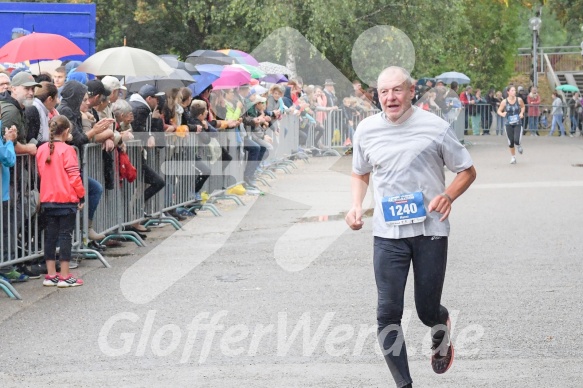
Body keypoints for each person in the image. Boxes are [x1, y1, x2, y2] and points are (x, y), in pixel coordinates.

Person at [346, 66, 476, 388]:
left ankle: (440, 325)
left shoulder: (435, 127)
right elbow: (360, 172)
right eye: (384, 92)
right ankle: (404, 384)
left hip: (431, 230)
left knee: (425, 308)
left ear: (411, 90)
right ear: (377, 95)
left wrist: (448, 195)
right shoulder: (366, 130)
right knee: (387, 314)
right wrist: (355, 205)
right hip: (388, 234)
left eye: (397, 90)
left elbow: (467, 171)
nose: (390, 97)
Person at [37, 116, 85, 287]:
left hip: (47, 198)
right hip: (65, 198)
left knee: (50, 235)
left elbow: (42, 174)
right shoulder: (68, 150)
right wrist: (81, 195)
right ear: (66, 132)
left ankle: (51, 275)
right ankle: (65, 275)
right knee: (65, 235)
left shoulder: (41, 149)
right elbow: (74, 176)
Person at [497, 86, 525, 164]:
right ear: (508, 92)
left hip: (517, 123)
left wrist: (521, 113)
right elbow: (499, 110)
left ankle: (519, 145)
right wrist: (502, 114)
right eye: (512, 90)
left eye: (514, 90)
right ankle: (513, 157)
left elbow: (523, 107)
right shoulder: (504, 102)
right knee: (511, 141)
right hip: (508, 123)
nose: (514, 92)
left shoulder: (519, 100)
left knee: (516, 140)